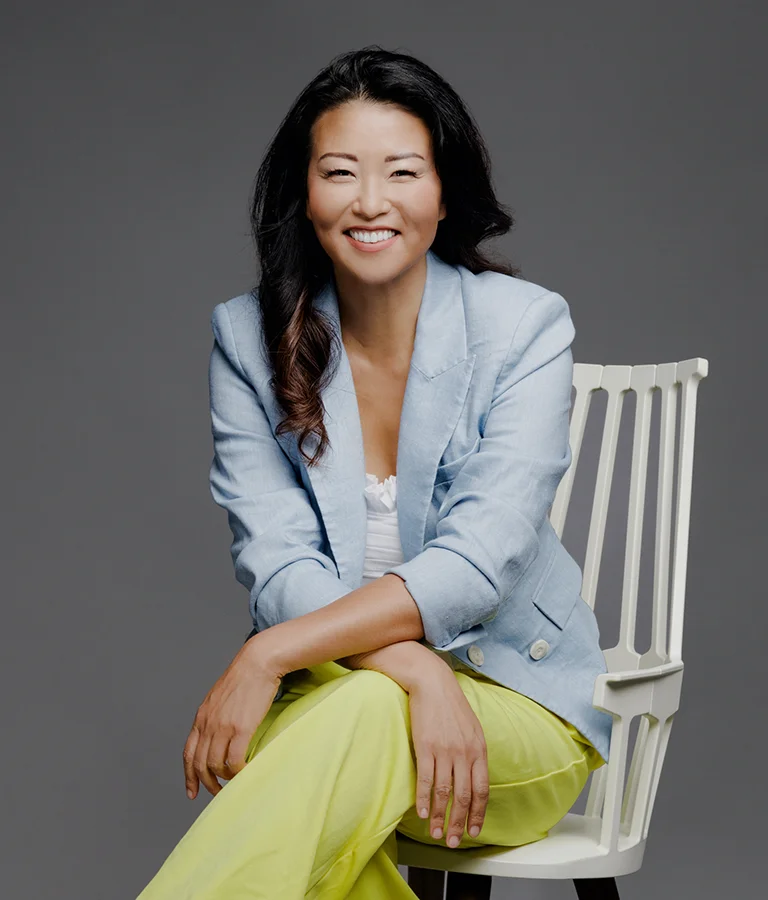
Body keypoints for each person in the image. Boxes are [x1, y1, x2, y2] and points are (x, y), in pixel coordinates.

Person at [137, 45, 613, 900]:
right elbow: (280, 566)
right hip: (346, 698)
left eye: (401, 172)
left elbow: (475, 563)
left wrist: (265, 659)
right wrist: (417, 668)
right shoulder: (249, 339)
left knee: (344, 731)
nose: (369, 202)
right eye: (339, 172)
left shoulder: (524, 327)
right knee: (342, 777)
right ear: (304, 193)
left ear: (442, 191)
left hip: (518, 702)